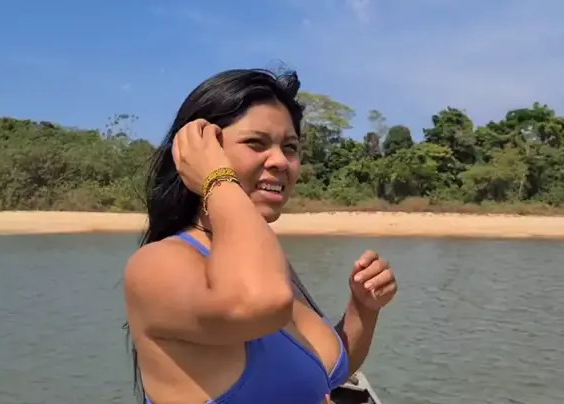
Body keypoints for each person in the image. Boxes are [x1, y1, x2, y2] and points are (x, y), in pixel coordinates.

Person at [122, 68, 398, 404]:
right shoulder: (158, 265)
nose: (281, 161)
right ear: (199, 152)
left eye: (290, 147)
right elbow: (261, 304)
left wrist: (363, 308)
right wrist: (217, 179)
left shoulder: (263, 261)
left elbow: (323, 373)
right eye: (256, 143)